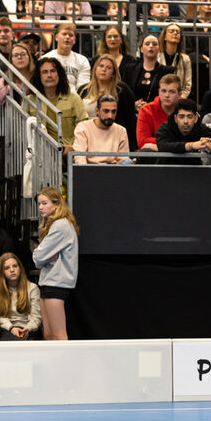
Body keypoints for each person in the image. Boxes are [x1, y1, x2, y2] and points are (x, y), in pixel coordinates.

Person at [31, 187, 77, 340]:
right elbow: (39, 258)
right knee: (48, 335)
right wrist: (43, 257)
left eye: (45, 203)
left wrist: (41, 257)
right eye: (39, 204)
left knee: (58, 335)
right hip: (48, 282)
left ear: (56, 204)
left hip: (56, 284)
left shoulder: (60, 225)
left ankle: (66, 357)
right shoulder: (54, 225)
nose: (40, 207)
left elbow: (38, 257)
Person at [73, 94, 131, 162]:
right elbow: (80, 158)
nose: (110, 116)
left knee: (128, 162)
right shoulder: (83, 128)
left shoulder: (121, 130)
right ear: (97, 111)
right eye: (106, 111)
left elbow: (123, 159)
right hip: (90, 167)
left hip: (113, 167)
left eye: (113, 111)